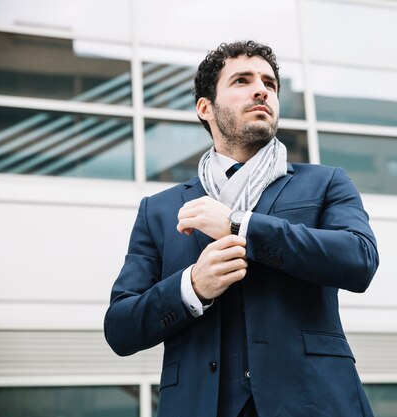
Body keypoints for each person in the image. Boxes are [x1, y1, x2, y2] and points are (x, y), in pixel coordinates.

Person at [104, 40, 379, 417]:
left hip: (316, 403)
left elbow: (360, 259)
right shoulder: (160, 210)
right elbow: (120, 328)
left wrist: (240, 225)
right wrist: (192, 288)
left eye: (269, 82)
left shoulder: (327, 183)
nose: (261, 89)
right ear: (206, 107)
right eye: (242, 80)